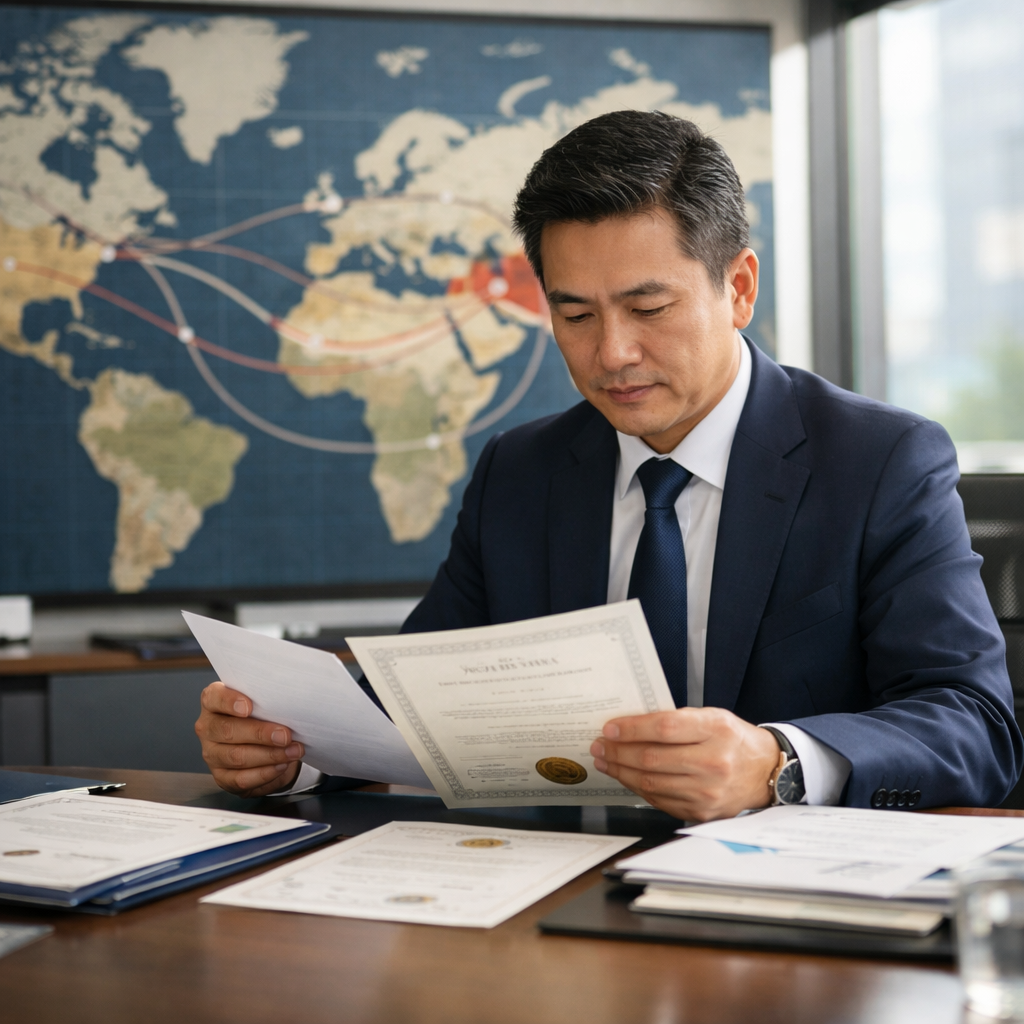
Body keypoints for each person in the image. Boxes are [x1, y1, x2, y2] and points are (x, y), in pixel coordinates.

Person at [195, 110, 1022, 821]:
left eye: (648, 307)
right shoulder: (521, 471)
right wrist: (288, 749)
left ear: (739, 288)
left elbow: (977, 724)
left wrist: (779, 764)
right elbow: (420, 704)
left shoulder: (879, 462)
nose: (612, 353)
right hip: (562, 909)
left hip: (790, 918)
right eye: (575, 313)